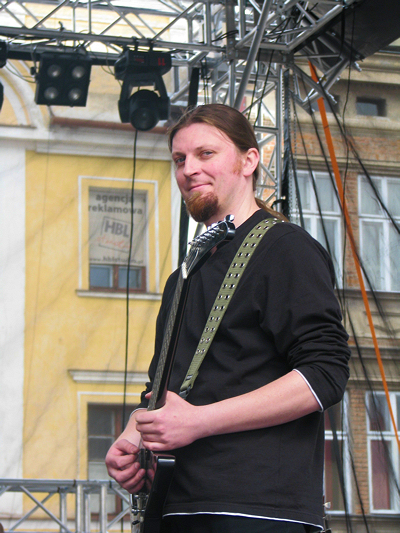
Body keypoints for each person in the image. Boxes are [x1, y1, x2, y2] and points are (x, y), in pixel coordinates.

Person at [105, 104, 350, 533]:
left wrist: (198, 421)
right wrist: (135, 432)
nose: (188, 169)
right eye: (179, 159)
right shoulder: (183, 276)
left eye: (205, 154)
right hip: (177, 505)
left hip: (258, 510)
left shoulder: (285, 249)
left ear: (249, 160)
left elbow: (325, 373)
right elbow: (165, 387)